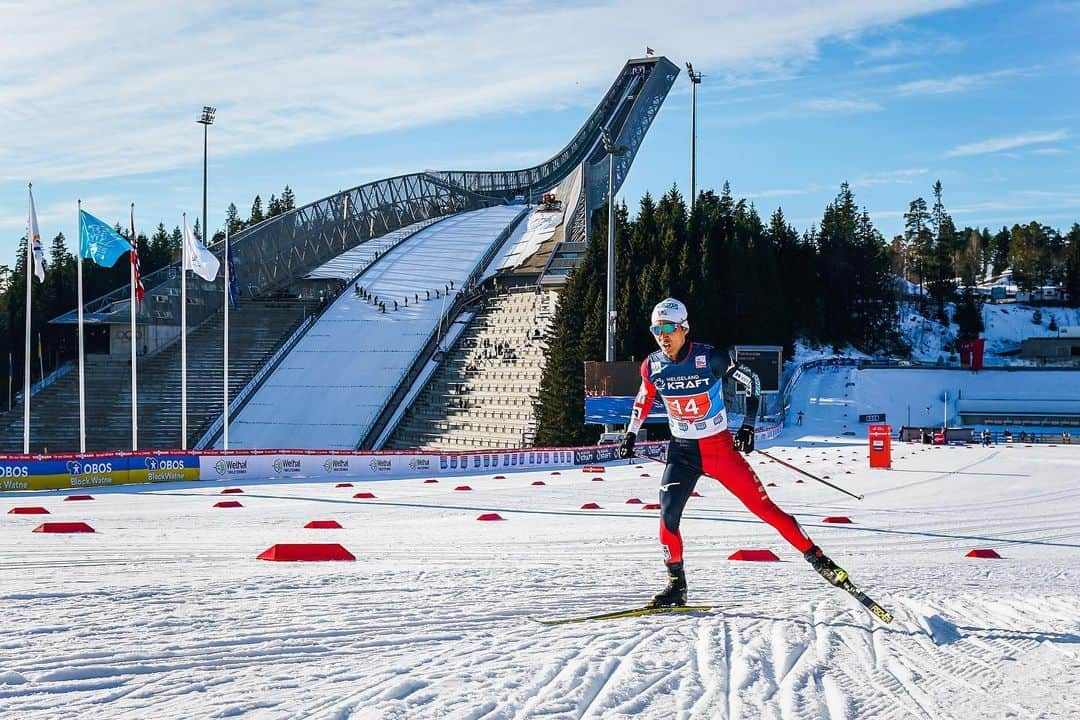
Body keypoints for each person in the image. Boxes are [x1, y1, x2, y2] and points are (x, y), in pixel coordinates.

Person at [618, 298, 848, 608]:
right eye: (656, 329)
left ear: (684, 328)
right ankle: (676, 585)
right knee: (667, 518)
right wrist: (631, 432)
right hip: (682, 453)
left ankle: (818, 558)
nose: (663, 336)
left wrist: (748, 427)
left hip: (718, 450)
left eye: (669, 328)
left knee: (763, 508)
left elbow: (752, 382)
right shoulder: (652, 365)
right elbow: (644, 397)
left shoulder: (710, 358)